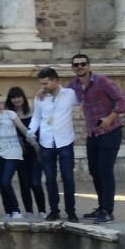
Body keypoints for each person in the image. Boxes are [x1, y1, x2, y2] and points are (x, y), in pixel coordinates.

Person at [68, 53, 125, 224]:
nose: (79, 67)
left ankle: (108, 211)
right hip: (92, 134)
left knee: (105, 170)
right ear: (72, 68)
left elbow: (122, 100)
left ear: (88, 65)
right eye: (76, 64)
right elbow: (60, 95)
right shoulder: (73, 86)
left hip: (111, 131)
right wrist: (43, 91)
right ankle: (101, 207)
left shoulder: (101, 81)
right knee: (94, 171)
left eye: (82, 63)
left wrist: (110, 118)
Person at [28, 67, 79, 222]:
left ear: (56, 80)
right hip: (46, 142)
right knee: (50, 179)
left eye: (46, 83)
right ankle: (54, 210)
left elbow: (84, 100)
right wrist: (30, 132)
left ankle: (71, 211)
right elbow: (36, 117)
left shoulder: (70, 94)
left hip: (65, 141)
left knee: (68, 178)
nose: (43, 87)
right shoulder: (40, 97)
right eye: (41, 84)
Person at [0, 93, 33, 220]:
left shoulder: (11, 114)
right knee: (2, 183)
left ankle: (15, 210)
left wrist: (34, 141)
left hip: (12, 151)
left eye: (2, 102)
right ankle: (8, 210)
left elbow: (23, 129)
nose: (1, 105)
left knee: (6, 181)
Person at [6, 86, 46, 218]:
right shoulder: (9, 116)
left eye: (18, 96)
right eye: (13, 97)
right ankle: (28, 210)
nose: (16, 99)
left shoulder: (33, 112)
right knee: (24, 183)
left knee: (35, 182)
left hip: (35, 151)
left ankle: (42, 210)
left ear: (23, 97)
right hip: (19, 153)